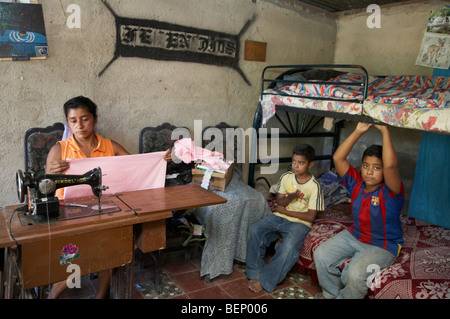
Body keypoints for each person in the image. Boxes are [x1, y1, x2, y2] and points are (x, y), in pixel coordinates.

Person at [45, 96, 130, 299]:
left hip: (105, 210)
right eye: (73, 121)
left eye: (85, 119)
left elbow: (136, 166)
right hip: (69, 213)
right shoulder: (59, 150)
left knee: (111, 248)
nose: (79, 125)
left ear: (95, 119)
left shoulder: (111, 146)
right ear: (68, 122)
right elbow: (46, 186)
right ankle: (54, 293)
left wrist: (161, 158)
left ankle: (100, 296)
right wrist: (52, 171)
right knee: (79, 252)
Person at [313, 122, 404, 299]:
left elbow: (391, 166)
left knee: (353, 275)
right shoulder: (356, 184)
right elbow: (338, 158)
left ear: (384, 171)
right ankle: (331, 295)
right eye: (366, 165)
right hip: (355, 235)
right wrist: (358, 130)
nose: (370, 172)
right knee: (321, 254)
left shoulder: (392, 192)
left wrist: (385, 130)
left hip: (383, 244)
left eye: (377, 168)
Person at [246, 144, 324, 293]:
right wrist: (289, 198)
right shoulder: (286, 177)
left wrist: (286, 212)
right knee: (255, 230)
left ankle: (266, 280)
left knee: (288, 248)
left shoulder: (315, 186)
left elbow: (310, 216)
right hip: (279, 216)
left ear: (310, 164)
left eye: (301, 163)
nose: (296, 166)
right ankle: (255, 273)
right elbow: (279, 202)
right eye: (294, 161)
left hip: (300, 223)